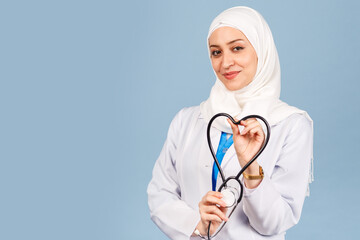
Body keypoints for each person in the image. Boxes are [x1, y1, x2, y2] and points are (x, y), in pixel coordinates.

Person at [147, 6, 313, 240]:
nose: (226, 63)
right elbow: (159, 195)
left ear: (261, 50)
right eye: (216, 52)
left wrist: (252, 169)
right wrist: (197, 222)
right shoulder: (186, 120)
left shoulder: (291, 125)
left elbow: (275, 223)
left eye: (237, 48)